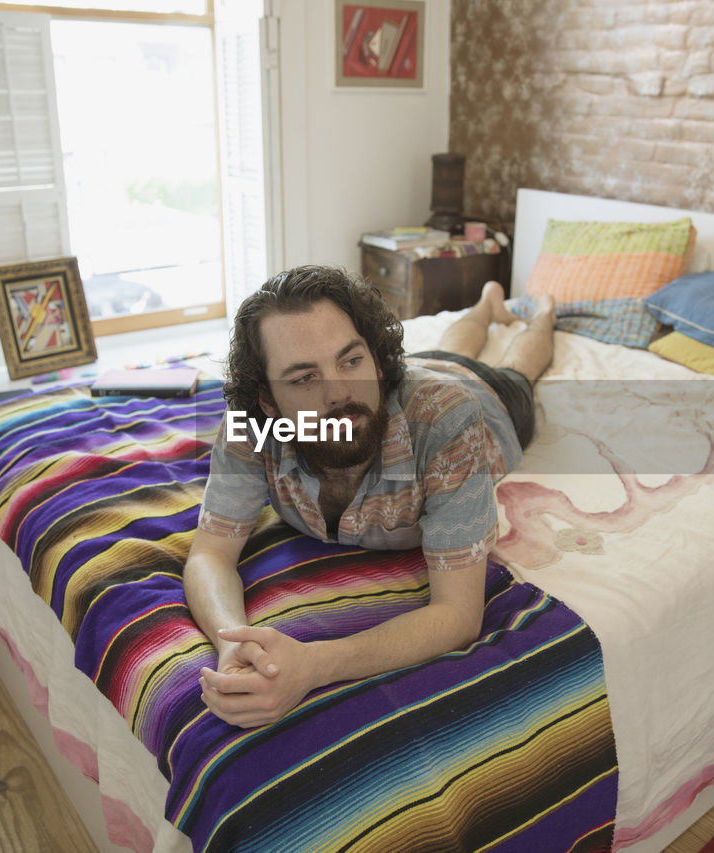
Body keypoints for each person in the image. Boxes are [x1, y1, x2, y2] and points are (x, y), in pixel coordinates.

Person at [188, 265, 555, 728]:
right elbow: (210, 556)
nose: (340, 392)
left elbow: (459, 615)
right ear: (267, 402)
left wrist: (313, 666)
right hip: (424, 375)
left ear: (377, 363)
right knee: (453, 347)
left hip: (489, 400)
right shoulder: (250, 427)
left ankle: (543, 312)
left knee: (517, 369)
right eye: (303, 378)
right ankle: (487, 301)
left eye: (351, 360)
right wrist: (232, 642)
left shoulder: (448, 420)